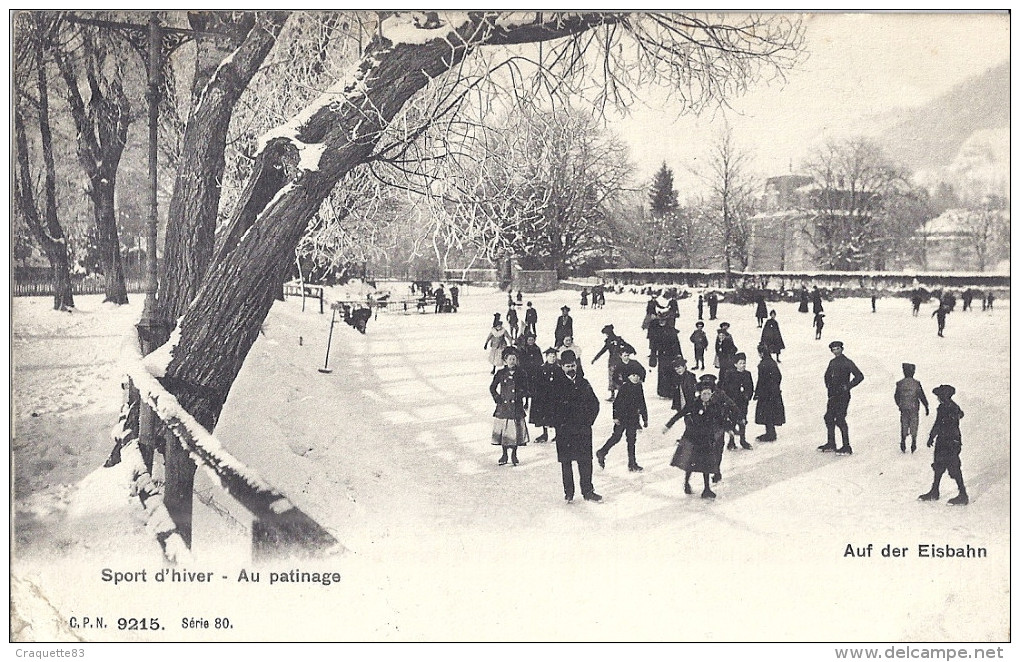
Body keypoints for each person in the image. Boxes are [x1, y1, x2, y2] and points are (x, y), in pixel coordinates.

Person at [554, 351, 602, 503]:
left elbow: (595, 404)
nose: (571, 368)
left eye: (573, 365)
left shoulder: (584, 383)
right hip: (564, 431)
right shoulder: (556, 385)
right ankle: (569, 493)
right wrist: (559, 423)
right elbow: (551, 407)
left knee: (585, 461)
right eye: (567, 366)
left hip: (582, 430)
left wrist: (588, 422)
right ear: (562, 367)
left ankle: (588, 491)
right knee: (566, 462)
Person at [669, 382, 727, 498]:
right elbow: (680, 414)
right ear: (699, 394)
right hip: (694, 438)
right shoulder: (693, 404)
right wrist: (668, 425)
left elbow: (720, 420)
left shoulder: (714, 405)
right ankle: (686, 483)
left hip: (707, 438)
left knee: (707, 464)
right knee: (691, 463)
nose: (706, 396)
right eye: (704, 394)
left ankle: (706, 489)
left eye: (709, 394)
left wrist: (729, 429)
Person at [596, 355, 648, 472]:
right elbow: (616, 404)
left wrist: (645, 419)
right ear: (628, 376)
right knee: (616, 437)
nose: (635, 378)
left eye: (637, 376)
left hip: (633, 419)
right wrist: (615, 417)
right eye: (633, 376)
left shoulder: (639, 387)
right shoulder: (624, 388)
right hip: (622, 418)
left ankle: (632, 463)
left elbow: (642, 403)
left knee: (631, 440)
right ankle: (602, 452)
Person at [918, 385, 968, 505]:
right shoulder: (950, 407)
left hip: (949, 441)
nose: (938, 398)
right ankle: (935, 491)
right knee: (939, 466)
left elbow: (938, 423)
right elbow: (959, 415)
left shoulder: (947, 408)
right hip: (946, 440)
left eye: (939, 396)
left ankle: (963, 494)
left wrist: (932, 436)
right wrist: (933, 436)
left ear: (944, 396)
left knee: (953, 467)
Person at [818, 340, 864, 455]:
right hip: (833, 395)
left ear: (842, 349)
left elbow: (859, 376)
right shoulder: (832, 362)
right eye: (833, 349)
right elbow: (826, 376)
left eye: (837, 349)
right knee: (828, 417)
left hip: (843, 396)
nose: (835, 351)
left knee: (840, 419)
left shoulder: (847, 362)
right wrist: (828, 386)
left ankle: (846, 446)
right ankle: (831, 443)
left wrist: (848, 386)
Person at [490, 347, 530, 466]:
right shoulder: (501, 373)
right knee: (504, 431)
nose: (512, 361)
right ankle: (504, 454)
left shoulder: (522, 373)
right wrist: (497, 398)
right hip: (504, 408)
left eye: (514, 359)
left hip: (516, 407)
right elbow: (492, 387)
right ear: (505, 360)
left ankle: (514, 454)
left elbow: (526, 388)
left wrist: (521, 395)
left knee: (515, 431)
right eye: (510, 359)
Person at [530, 347, 565, 443]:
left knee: (557, 415)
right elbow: (537, 382)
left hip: (555, 396)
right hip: (544, 396)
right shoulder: (541, 368)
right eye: (550, 356)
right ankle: (544, 434)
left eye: (554, 356)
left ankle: (558, 434)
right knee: (543, 415)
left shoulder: (559, 369)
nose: (552, 358)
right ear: (546, 357)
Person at [721, 352, 754, 450]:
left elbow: (751, 387)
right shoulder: (730, 374)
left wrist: (747, 396)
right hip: (732, 403)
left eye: (744, 363)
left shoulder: (747, 374)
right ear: (735, 364)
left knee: (742, 422)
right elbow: (724, 388)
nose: (743, 365)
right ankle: (731, 442)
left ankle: (743, 440)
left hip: (743, 403)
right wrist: (728, 401)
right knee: (732, 422)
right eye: (740, 363)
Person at [894, 362, 929, 453]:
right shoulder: (916, 383)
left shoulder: (900, 383)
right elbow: (922, 396)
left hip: (904, 408)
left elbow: (896, 396)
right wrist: (926, 406)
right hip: (914, 408)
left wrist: (899, 404)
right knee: (914, 424)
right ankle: (913, 441)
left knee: (904, 424)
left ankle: (903, 440)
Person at [753, 343, 785, 442]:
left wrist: (757, 393)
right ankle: (771, 432)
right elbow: (779, 376)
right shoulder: (772, 362)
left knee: (767, 413)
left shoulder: (762, 365)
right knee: (771, 413)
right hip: (774, 392)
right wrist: (775, 387)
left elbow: (761, 380)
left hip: (765, 394)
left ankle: (770, 434)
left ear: (762, 353)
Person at [662, 357, 699, 437]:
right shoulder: (677, 377)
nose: (678, 370)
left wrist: (669, 425)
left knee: (691, 425)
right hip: (682, 404)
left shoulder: (689, 377)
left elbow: (690, 396)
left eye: (680, 368)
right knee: (690, 425)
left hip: (689, 406)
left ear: (684, 366)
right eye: (676, 369)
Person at [591, 325, 629, 402]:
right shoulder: (618, 339)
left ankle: (613, 395)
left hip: (612, 361)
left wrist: (595, 359)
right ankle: (620, 395)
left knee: (612, 378)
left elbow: (602, 351)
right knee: (619, 377)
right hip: (619, 361)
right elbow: (627, 346)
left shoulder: (609, 341)